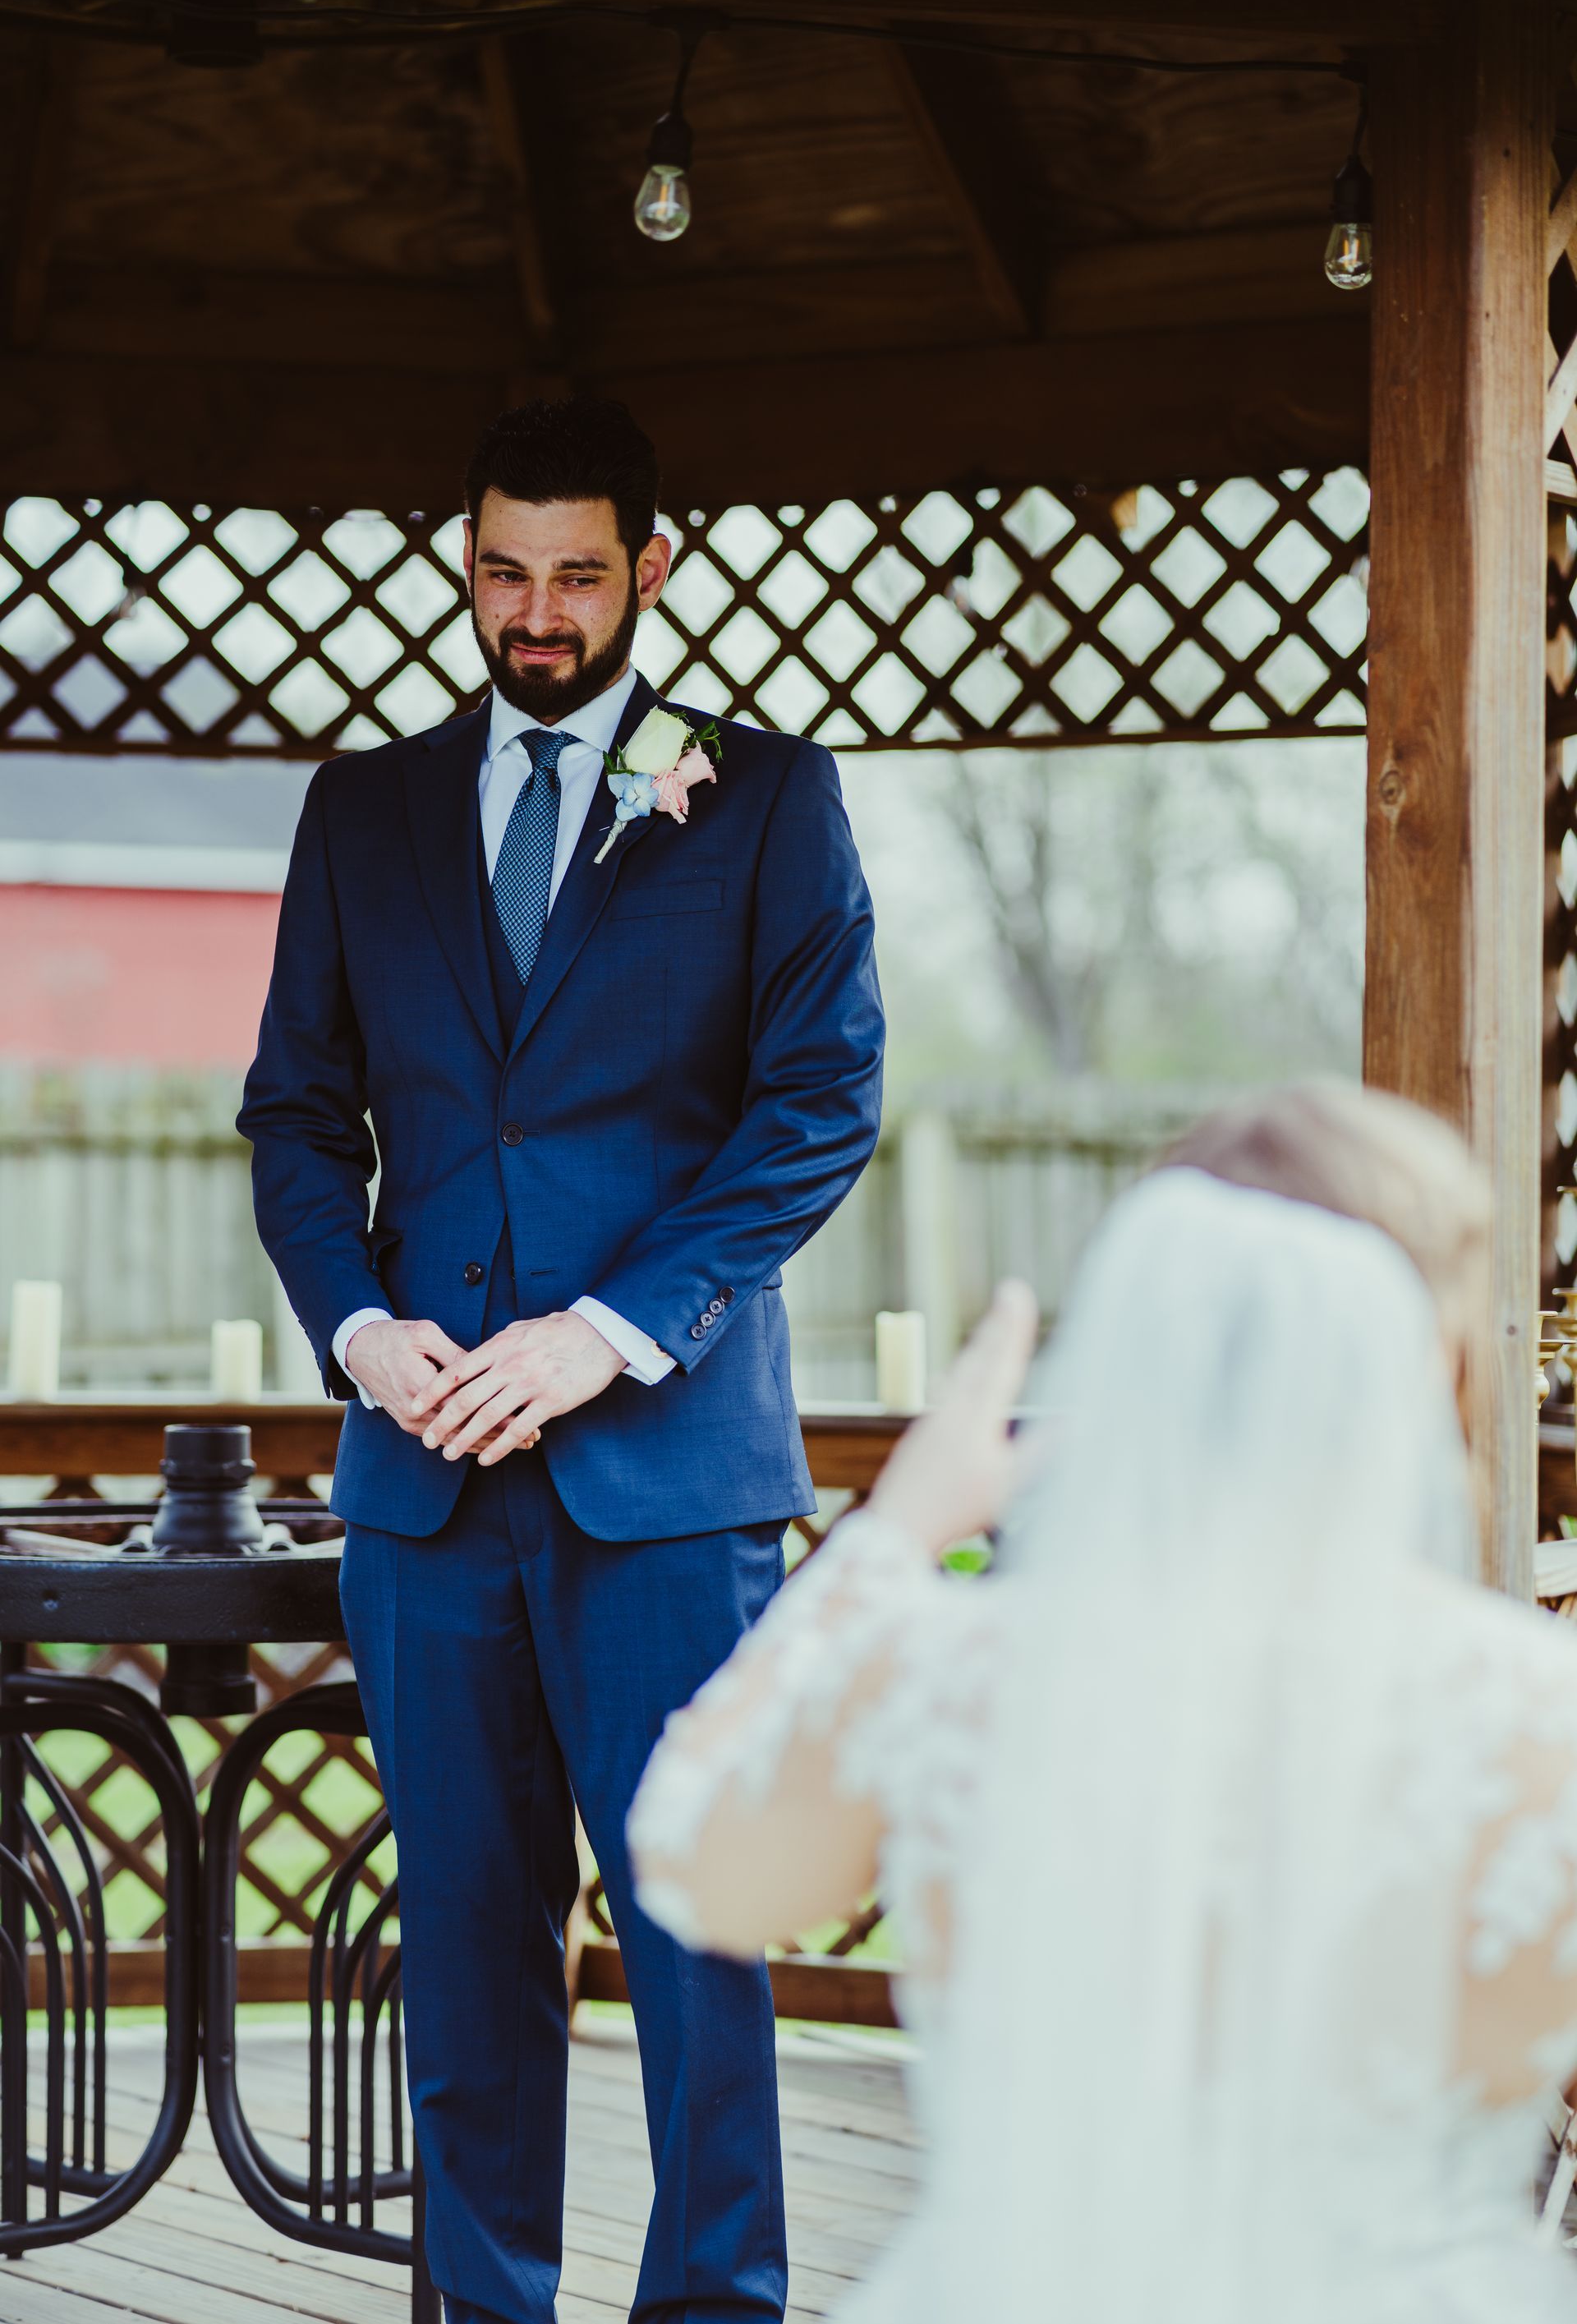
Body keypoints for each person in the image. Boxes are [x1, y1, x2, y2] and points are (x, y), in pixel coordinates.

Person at [238, 397, 885, 2324]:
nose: (539, 612)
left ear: (651, 573)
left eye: (579, 574)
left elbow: (820, 1102)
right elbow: (295, 1116)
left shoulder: (765, 797)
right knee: (464, 1949)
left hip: (666, 1481)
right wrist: (360, 1327)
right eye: (506, 572)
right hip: (424, 1484)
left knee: (701, 1938)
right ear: (466, 564)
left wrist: (605, 1337)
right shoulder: (361, 811)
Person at [630, 1079, 1577, 2322]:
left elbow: (699, 1863)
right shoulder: (1531, 1708)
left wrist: (899, 1528)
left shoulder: (959, 1674)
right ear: (1430, 1351)